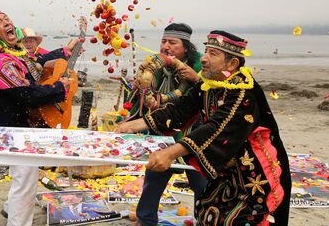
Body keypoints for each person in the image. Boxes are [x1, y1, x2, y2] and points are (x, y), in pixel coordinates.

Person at [116, 30, 291, 225]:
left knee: (239, 220)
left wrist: (171, 153)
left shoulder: (242, 92)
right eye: (206, 51)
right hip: (225, 172)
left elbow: (218, 128)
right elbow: (179, 110)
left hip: (255, 175)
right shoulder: (209, 85)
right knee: (207, 212)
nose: (204, 58)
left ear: (232, 64)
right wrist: (134, 124)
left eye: (213, 54)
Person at [0, 8, 69, 226]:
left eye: (7, 18)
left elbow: (37, 59)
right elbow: (28, 95)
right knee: (24, 186)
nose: (7, 22)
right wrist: (59, 88)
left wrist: (63, 51)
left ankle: (9, 208)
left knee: (24, 180)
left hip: (22, 129)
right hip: (17, 132)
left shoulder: (12, 52)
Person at [124, 23, 207, 226]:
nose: (166, 46)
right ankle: (145, 220)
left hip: (193, 134)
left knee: (201, 182)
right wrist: (138, 89)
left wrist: (197, 79)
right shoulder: (155, 65)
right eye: (163, 41)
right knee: (154, 179)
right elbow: (142, 101)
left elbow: (211, 96)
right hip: (162, 132)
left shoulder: (199, 67)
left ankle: (205, 220)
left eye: (173, 42)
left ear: (185, 47)